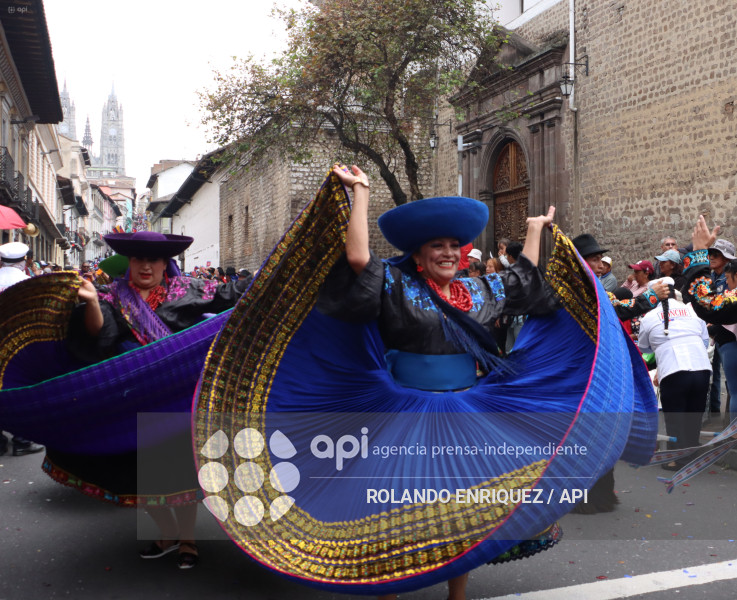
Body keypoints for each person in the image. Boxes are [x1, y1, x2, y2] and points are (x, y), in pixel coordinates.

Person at [62, 231, 250, 569]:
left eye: (153, 260)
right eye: (137, 259)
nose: (145, 266)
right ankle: (166, 533)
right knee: (139, 473)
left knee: (179, 470)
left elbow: (234, 294)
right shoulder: (111, 296)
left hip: (177, 396)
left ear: (166, 264)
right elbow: (98, 335)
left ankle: (188, 539)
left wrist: (285, 265)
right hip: (131, 398)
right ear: (129, 263)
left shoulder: (189, 290)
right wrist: (90, 302)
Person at [638, 279, 711, 471]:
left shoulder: (649, 317)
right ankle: (691, 455)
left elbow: (644, 347)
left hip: (672, 370)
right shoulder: (692, 310)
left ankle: (676, 459)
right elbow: (704, 340)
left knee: (675, 416)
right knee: (694, 414)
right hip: (701, 366)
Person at [0, 242, 45, 457]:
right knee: (20, 388)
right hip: (20, 345)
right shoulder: (29, 283)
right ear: (24, 260)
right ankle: (21, 440)